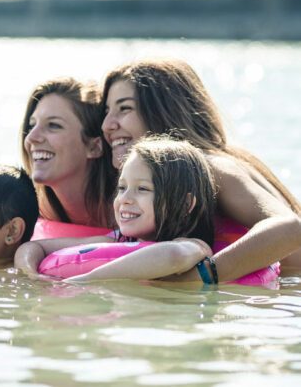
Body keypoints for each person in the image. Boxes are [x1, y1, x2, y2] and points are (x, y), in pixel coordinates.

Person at [101, 57, 301, 281]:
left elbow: (290, 228)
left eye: (124, 108)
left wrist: (200, 278)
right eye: (107, 111)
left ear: (164, 111)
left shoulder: (212, 167)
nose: (107, 125)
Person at [15, 136, 213, 282]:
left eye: (142, 189)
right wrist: (30, 275)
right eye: (122, 188)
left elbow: (173, 256)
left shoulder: (195, 247)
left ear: (186, 205)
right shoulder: (116, 240)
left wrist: (83, 280)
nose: (124, 199)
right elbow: (34, 247)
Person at [20, 77, 117, 229]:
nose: (31, 137)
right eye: (32, 125)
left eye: (53, 125)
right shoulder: (23, 216)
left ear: (94, 147)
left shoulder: (135, 214)